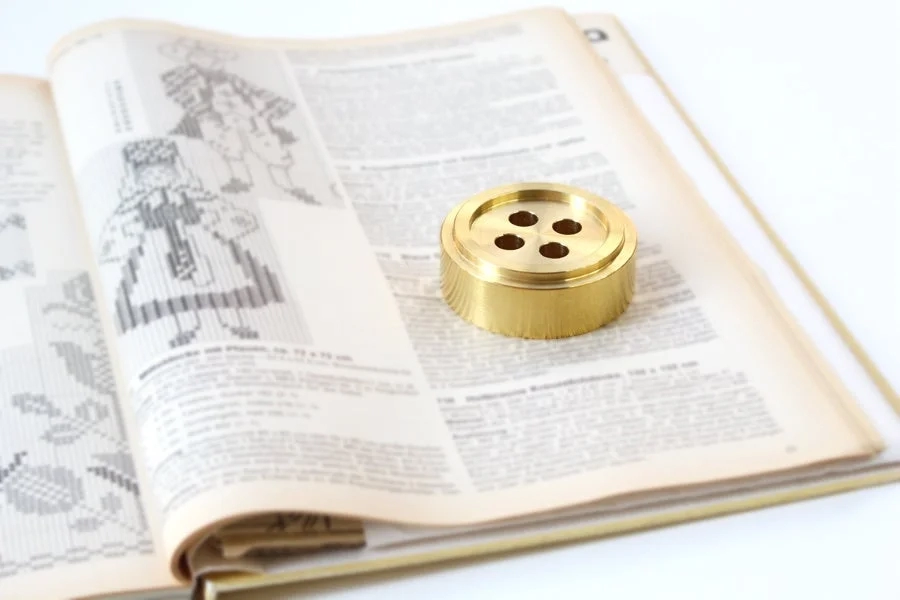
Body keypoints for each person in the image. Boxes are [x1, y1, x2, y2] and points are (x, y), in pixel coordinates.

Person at [98, 138, 285, 347]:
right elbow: (120, 231)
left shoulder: (192, 194)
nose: (158, 179)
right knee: (175, 290)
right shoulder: (135, 204)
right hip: (159, 249)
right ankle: (185, 328)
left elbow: (222, 212)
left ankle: (233, 321)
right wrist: (134, 229)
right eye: (150, 176)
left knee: (221, 281)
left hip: (198, 242)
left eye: (164, 173)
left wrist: (208, 218)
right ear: (139, 178)